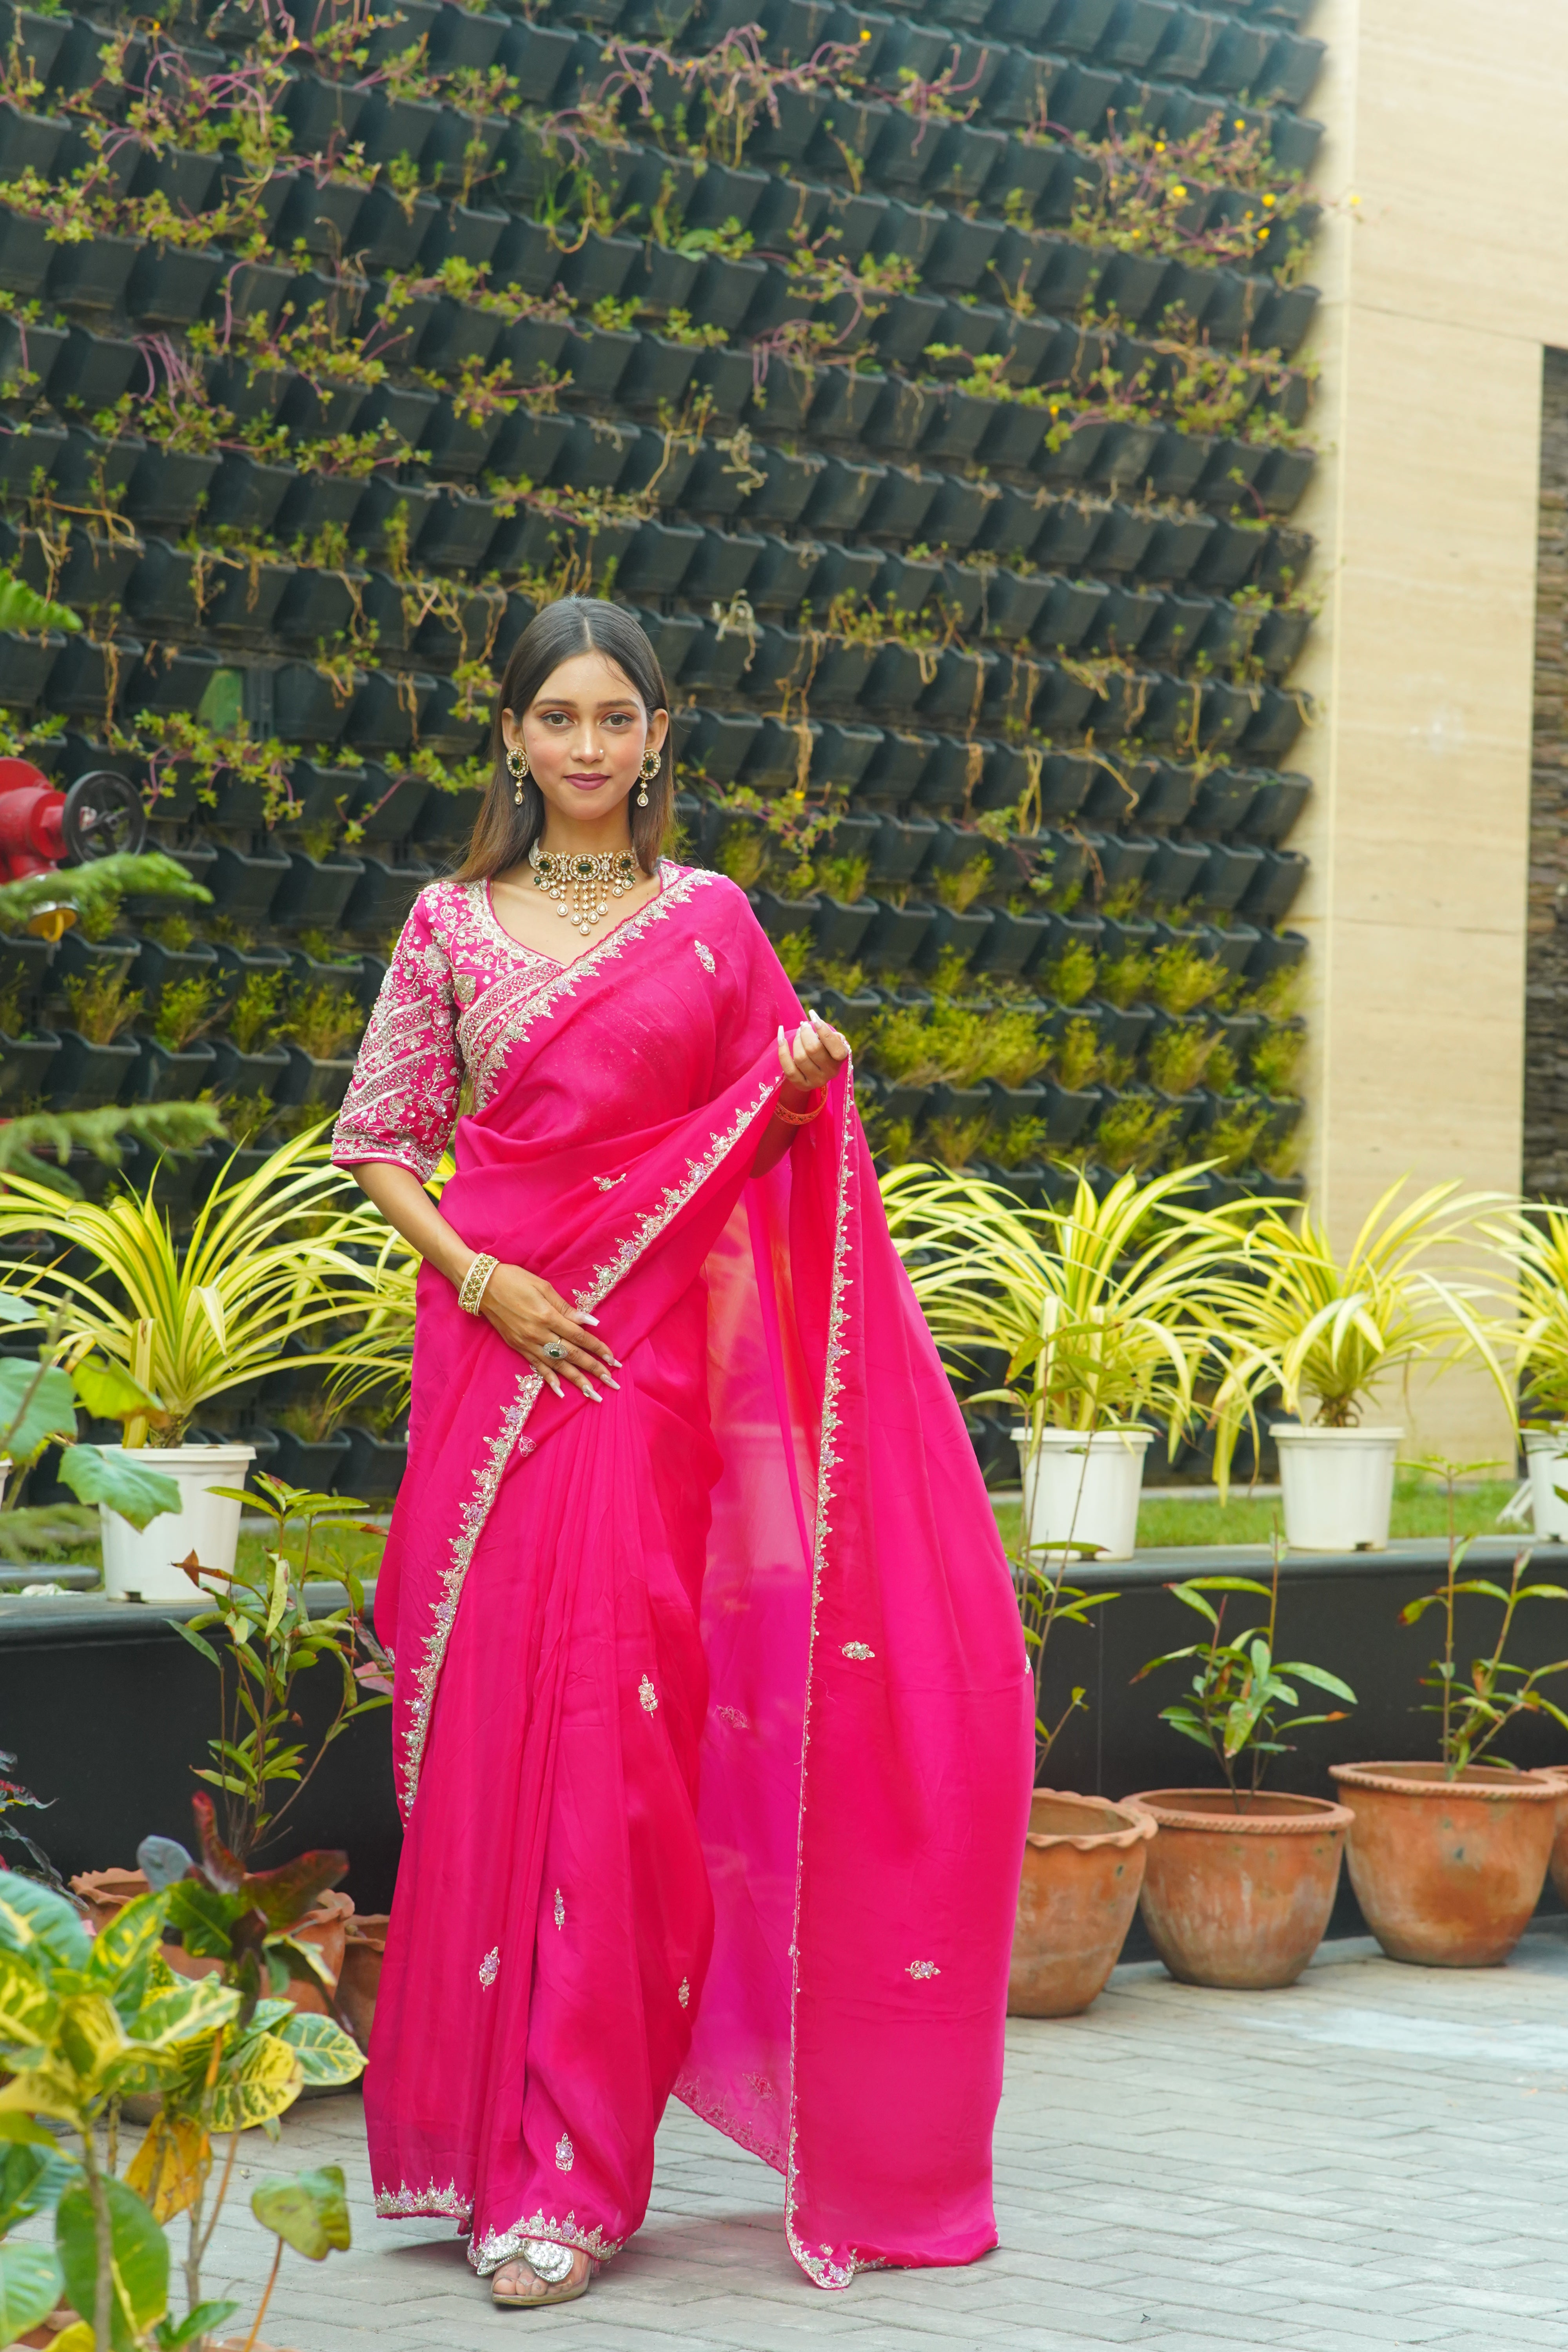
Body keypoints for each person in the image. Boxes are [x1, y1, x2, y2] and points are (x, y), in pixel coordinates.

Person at [331, 599, 1033, 2311]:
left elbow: (769, 1146)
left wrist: (807, 1082)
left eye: (614, 718)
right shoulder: (444, 927)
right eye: (557, 716)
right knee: (500, 1741)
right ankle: (480, 2150)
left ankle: (572, 2177)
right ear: (512, 735)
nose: (585, 747)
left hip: (639, 1397)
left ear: (656, 740)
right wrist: (491, 1282)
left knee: (607, 1754)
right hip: (505, 1380)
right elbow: (381, 1142)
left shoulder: (710, 926)